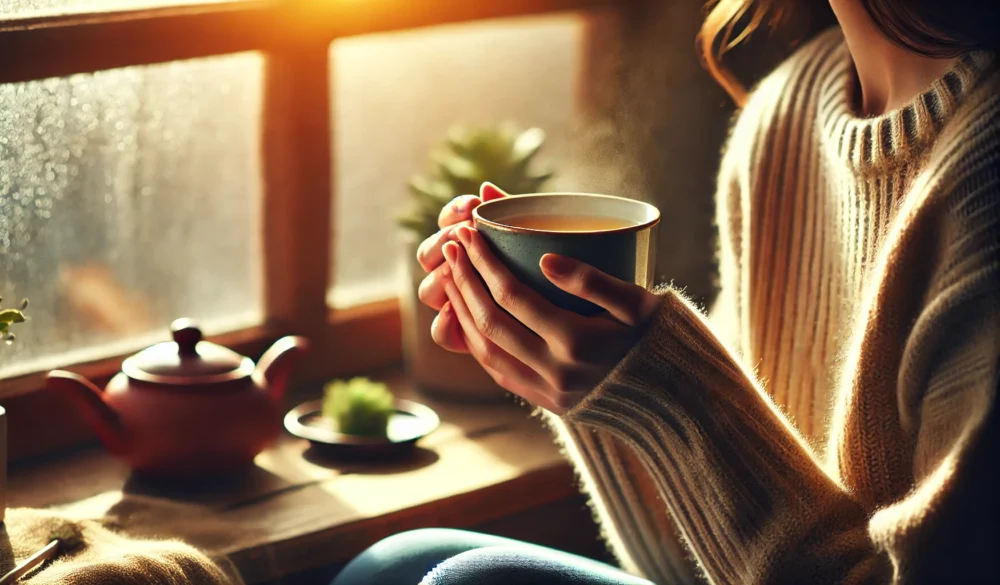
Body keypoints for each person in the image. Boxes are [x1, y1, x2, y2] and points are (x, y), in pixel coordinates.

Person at [331, 0, 1000, 582]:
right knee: (397, 564)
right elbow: (689, 565)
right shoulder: (785, 112)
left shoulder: (981, 183)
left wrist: (667, 393)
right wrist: (596, 393)